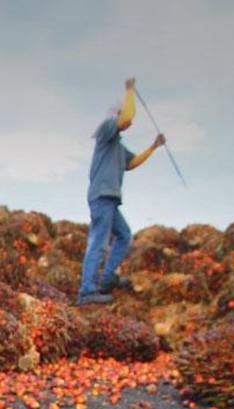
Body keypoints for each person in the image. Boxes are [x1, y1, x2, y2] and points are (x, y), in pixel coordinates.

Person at [77, 77, 165, 306]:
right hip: (101, 197)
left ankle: (106, 280)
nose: (128, 122)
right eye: (122, 115)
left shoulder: (117, 145)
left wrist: (153, 147)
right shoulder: (106, 130)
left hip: (110, 199)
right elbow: (126, 118)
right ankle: (86, 291)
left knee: (124, 235)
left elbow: (132, 163)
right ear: (114, 115)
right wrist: (129, 92)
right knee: (98, 240)